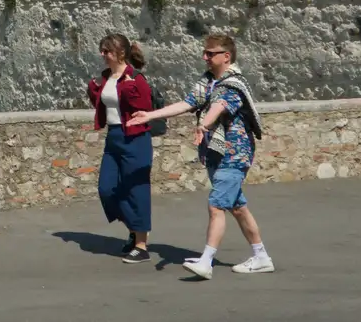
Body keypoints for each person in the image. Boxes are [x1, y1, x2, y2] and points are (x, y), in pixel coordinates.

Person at [127, 32, 271, 279]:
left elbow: (219, 106)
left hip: (234, 154)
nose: (205, 57)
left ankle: (206, 261)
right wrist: (149, 115)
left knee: (216, 205)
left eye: (210, 53)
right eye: (205, 53)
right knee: (237, 207)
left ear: (226, 56)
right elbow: (186, 103)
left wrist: (203, 124)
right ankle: (261, 257)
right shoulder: (208, 81)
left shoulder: (234, 84)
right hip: (216, 152)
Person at [86, 33, 155, 263]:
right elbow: (104, 104)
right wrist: (94, 91)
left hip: (135, 138)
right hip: (114, 137)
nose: (103, 55)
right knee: (107, 189)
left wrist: (128, 88)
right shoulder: (107, 77)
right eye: (102, 50)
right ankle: (134, 230)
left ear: (120, 54)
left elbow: (144, 108)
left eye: (107, 51)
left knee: (136, 190)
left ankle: (142, 245)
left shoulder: (136, 78)